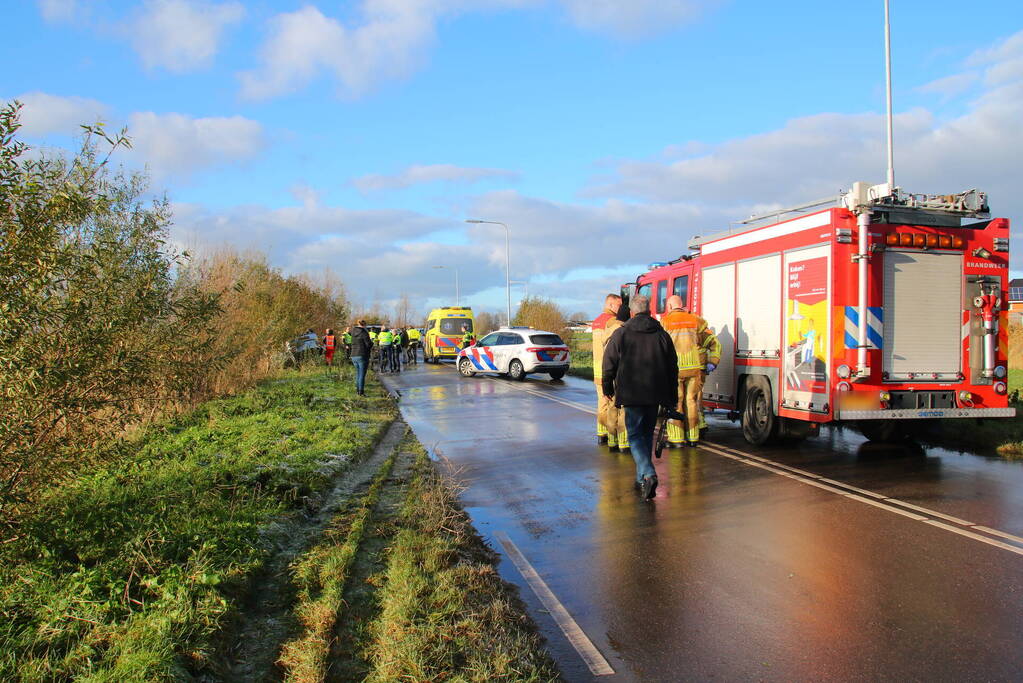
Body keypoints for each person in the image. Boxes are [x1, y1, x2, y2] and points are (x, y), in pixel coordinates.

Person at [602, 295, 678, 500]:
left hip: (632, 393)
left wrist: (607, 386)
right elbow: (673, 368)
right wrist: (672, 396)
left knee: (635, 436)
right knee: (645, 435)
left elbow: (609, 362)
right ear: (650, 311)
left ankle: (649, 473)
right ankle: (641, 478)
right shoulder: (662, 335)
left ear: (633, 312)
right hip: (655, 393)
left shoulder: (622, 334)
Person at [660, 295, 721, 447]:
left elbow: (660, 348)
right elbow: (713, 343)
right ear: (682, 305)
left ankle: (676, 439)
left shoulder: (665, 322)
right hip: (694, 370)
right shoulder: (695, 320)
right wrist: (712, 362)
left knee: (676, 403)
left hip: (675, 370)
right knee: (692, 402)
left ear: (669, 306)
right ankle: (693, 438)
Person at [591, 294, 628, 451]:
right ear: (611, 304)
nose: (620, 308)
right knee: (613, 405)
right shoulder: (612, 322)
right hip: (609, 369)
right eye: (619, 305)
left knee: (601, 403)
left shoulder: (596, 321)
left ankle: (602, 434)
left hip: (597, 369)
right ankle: (613, 435)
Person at [349, 320, 372, 396]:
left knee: (358, 373)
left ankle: (357, 390)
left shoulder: (352, 332)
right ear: (364, 325)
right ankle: (361, 392)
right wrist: (372, 342)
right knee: (362, 374)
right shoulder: (364, 332)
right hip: (362, 354)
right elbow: (368, 344)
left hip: (353, 354)